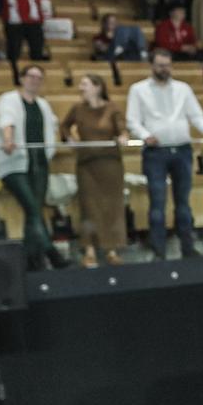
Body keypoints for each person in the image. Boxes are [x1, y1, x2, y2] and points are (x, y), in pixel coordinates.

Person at [125, 48, 203, 259]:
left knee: (184, 203)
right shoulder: (138, 89)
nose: (164, 69)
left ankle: (188, 248)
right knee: (157, 204)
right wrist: (145, 135)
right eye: (160, 65)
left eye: (167, 65)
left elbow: (196, 115)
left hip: (182, 149)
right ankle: (159, 252)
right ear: (152, 66)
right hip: (155, 152)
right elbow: (132, 121)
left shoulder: (183, 88)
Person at [0, 64, 64, 270]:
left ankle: (31, 261)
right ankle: (51, 252)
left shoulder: (43, 104)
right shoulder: (8, 99)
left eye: (39, 77)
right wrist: (8, 139)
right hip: (16, 163)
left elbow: (52, 125)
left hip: (39, 162)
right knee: (34, 209)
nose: (35, 80)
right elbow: (6, 120)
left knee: (33, 211)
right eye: (31, 76)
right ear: (22, 78)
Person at [61, 73, 127, 268]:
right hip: (86, 163)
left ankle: (111, 249)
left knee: (111, 206)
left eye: (85, 84)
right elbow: (64, 126)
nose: (81, 87)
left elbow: (122, 128)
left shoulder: (112, 108)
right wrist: (69, 139)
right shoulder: (77, 108)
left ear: (98, 87)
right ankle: (89, 250)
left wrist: (123, 136)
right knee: (89, 206)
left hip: (110, 163)